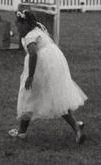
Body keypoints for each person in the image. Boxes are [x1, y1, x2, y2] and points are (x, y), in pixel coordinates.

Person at [9, 9, 87, 143]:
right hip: (56, 61)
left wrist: (30, 76)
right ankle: (76, 127)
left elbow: (33, 54)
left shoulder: (29, 36)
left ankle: (21, 133)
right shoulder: (39, 29)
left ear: (26, 24)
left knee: (27, 94)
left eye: (18, 26)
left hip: (42, 64)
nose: (17, 29)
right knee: (57, 97)